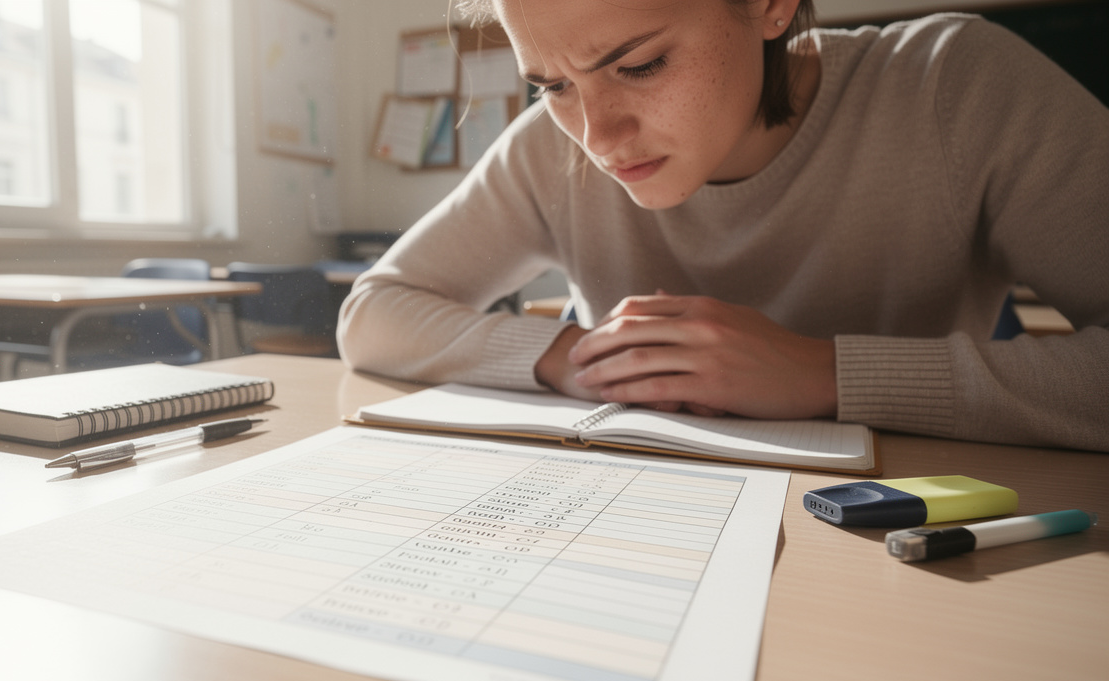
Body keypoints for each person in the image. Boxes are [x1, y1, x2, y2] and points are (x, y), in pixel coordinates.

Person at [337, 0, 1109, 452]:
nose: (598, 139)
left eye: (639, 65)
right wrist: (577, 358)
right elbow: (373, 312)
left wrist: (825, 375)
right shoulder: (549, 148)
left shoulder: (956, 87)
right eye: (552, 86)